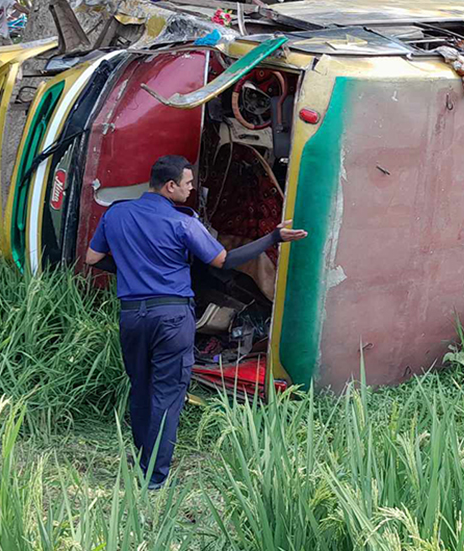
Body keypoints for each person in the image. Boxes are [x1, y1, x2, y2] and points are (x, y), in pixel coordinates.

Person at [83, 155, 308, 489]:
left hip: (132, 314)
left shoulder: (116, 213)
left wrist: (133, 272)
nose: (190, 190)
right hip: (172, 316)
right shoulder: (183, 222)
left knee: (141, 385)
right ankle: (155, 478)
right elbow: (223, 260)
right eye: (187, 183)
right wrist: (273, 239)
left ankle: (144, 455)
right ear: (170, 185)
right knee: (168, 392)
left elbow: (92, 259)